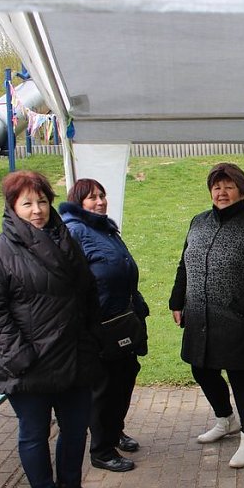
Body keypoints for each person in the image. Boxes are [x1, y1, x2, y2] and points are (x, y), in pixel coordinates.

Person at [0, 171, 107, 488]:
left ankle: (71, 487)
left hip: (74, 357)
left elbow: (88, 294)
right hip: (28, 365)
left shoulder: (67, 241)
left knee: (76, 429)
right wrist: (22, 358)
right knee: (34, 432)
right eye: (27, 203)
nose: (37, 210)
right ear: (13, 208)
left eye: (42, 201)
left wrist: (90, 339)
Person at [169, 162, 244, 468]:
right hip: (198, 315)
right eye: (217, 186)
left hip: (237, 319)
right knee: (201, 369)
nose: (222, 192)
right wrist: (177, 300)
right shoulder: (198, 222)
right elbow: (185, 264)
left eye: (228, 186)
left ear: (241, 190)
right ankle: (225, 419)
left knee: (241, 378)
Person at [58, 179, 149, 473]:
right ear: (78, 202)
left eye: (102, 195)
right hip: (98, 327)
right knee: (104, 388)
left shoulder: (105, 228)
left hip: (121, 321)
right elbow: (70, 282)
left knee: (124, 378)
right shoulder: (75, 231)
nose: (100, 201)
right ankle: (101, 450)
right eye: (91, 198)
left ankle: (114, 431)